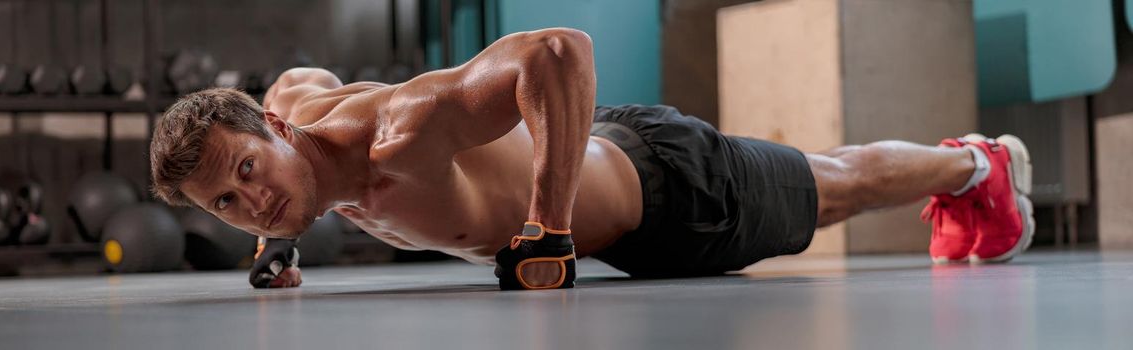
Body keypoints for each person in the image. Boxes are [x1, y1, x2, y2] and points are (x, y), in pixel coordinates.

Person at [148, 28, 1034, 290]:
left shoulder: (399, 131)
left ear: (276, 134)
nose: (249, 205)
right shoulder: (290, 107)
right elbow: (305, 73)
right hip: (587, 155)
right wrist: (280, 238)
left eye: (249, 173)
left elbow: (557, 56)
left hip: (666, 197)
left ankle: (975, 167)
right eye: (225, 204)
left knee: (833, 186)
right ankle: (965, 173)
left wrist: (549, 227)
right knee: (824, 183)